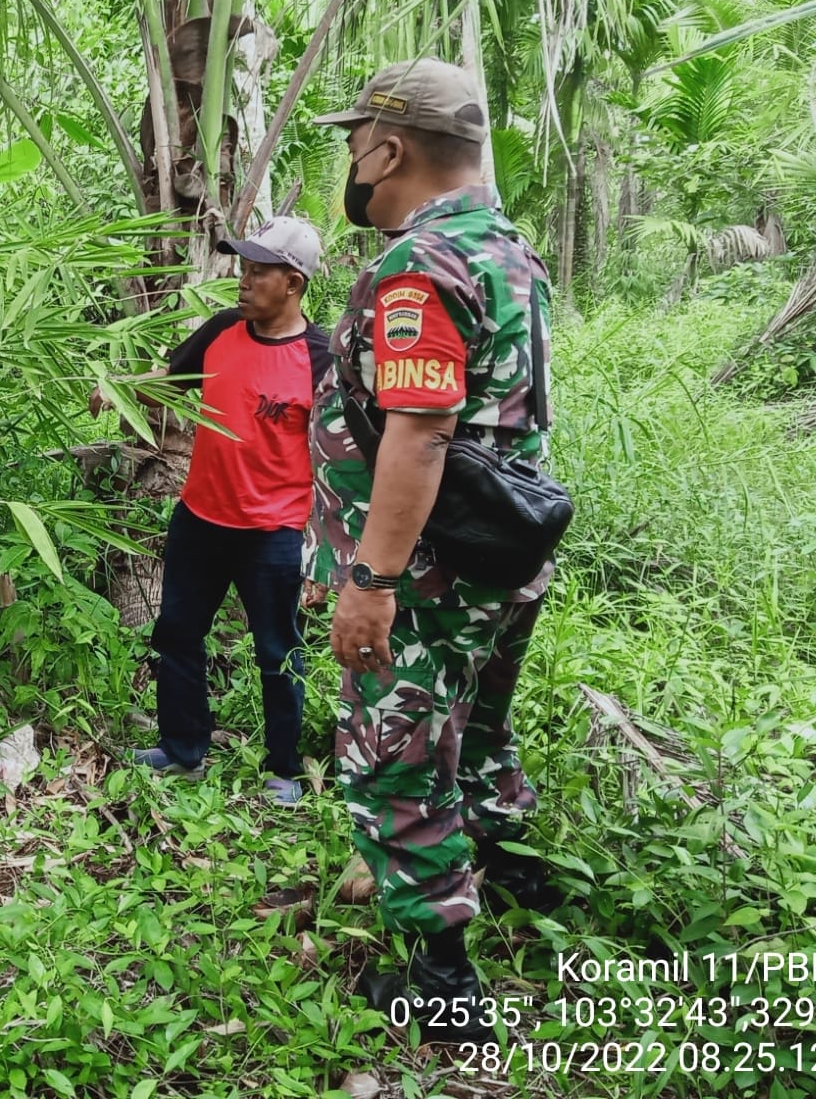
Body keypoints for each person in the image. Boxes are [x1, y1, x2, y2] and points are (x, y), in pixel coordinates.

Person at [306, 59, 562, 1044]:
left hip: (429, 573)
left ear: (389, 145)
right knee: (476, 733)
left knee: (393, 758)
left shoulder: (418, 266)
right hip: (506, 551)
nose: (351, 159)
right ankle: (505, 865)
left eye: (353, 139)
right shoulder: (502, 247)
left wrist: (370, 582)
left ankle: (441, 981)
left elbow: (419, 431)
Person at [90, 217, 330, 807]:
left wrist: (325, 550)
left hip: (272, 530)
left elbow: (339, 455)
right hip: (200, 517)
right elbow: (168, 381)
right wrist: (118, 385)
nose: (242, 281)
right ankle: (182, 748)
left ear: (293, 283)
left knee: (278, 649)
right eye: (242, 268)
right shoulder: (223, 330)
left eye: (257, 272)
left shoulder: (321, 357)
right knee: (177, 633)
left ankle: (284, 768)